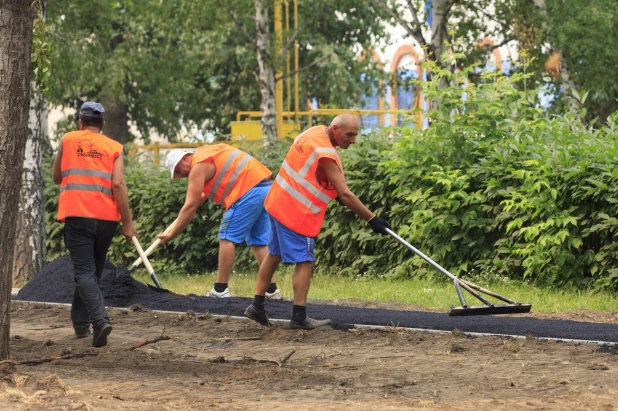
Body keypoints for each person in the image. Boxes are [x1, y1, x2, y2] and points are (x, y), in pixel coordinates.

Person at [244, 114, 391, 330]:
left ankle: (257, 306)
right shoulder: (327, 154)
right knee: (305, 261)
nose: (353, 140)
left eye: (355, 135)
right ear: (335, 129)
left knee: (274, 254)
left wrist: (332, 191)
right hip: (297, 213)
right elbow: (346, 194)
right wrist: (372, 219)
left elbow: (310, 172)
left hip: (277, 202)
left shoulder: (311, 133)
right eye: (349, 135)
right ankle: (299, 317)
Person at [53, 101, 137, 347]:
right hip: (106, 220)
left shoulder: (67, 140)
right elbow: (119, 185)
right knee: (92, 272)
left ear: (80, 122)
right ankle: (81, 326)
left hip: (77, 216)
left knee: (85, 272)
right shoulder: (114, 147)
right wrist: (127, 223)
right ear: (103, 124)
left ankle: (100, 321)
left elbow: (57, 177)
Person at [157, 144, 281, 299]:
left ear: (184, 159)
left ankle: (220, 289)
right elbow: (223, 176)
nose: (180, 176)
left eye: (177, 171)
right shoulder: (208, 152)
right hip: (264, 188)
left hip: (247, 191)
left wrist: (171, 235)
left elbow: (189, 207)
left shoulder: (197, 166)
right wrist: (200, 198)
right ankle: (271, 290)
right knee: (258, 242)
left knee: (226, 237)